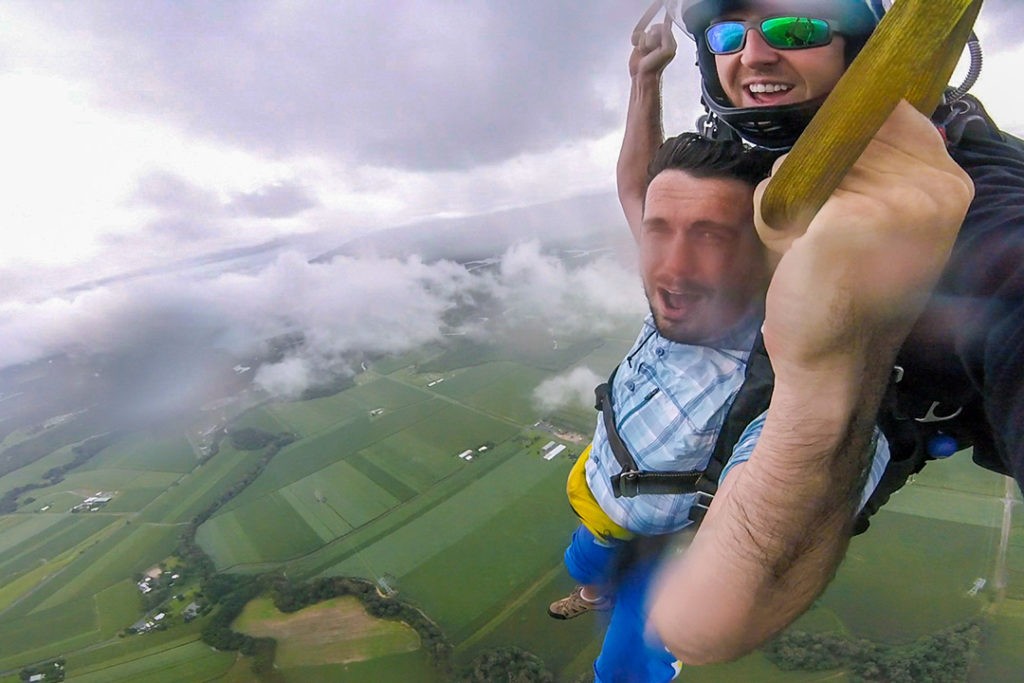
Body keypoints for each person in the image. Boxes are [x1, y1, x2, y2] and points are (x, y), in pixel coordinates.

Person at [617, 0, 1021, 664]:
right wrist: (644, 80)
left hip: (822, 432)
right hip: (631, 481)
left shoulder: (970, 206)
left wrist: (835, 357)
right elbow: (642, 197)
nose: (753, 55)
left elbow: (703, 626)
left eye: (794, 28)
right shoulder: (743, 165)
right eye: (728, 34)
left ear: (860, 45)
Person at [548, 133, 892, 681]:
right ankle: (592, 592)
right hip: (606, 497)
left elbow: (778, 536)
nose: (672, 269)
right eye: (659, 232)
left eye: (712, 237)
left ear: (767, 255)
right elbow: (637, 186)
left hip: (679, 547)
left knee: (625, 669)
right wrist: (646, 74)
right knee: (585, 560)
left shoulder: (787, 378)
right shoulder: (678, 297)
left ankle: (603, 595)